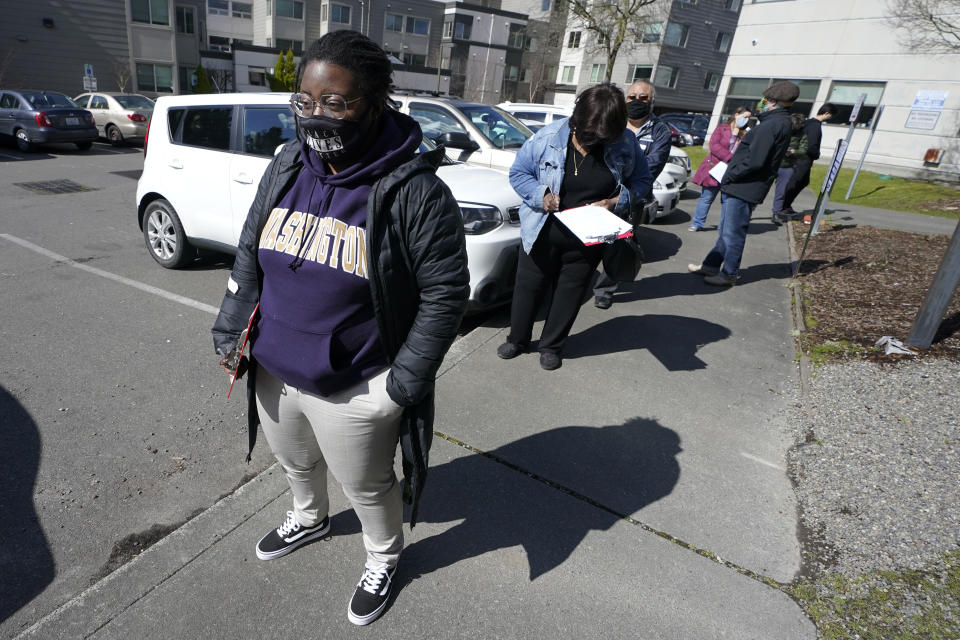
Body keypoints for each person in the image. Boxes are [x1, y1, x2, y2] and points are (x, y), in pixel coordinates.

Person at [211, 31, 469, 626]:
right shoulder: (285, 166)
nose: (316, 115)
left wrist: (399, 389)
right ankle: (308, 516)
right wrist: (231, 331)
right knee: (296, 463)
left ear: (377, 103)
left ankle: (383, 555)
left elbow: (447, 294)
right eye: (304, 101)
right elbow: (250, 254)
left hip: (356, 383)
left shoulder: (414, 192)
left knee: (369, 486)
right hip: (274, 365)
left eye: (336, 102)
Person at [498, 83, 653, 370]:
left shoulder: (625, 144)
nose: (594, 142)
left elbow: (644, 183)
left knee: (571, 291)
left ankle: (552, 346)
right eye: (589, 135)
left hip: (589, 237)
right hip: (542, 232)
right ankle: (517, 339)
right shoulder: (546, 138)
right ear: (577, 120)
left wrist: (616, 202)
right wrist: (541, 195)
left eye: (603, 137)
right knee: (527, 288)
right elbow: (519, 173)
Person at [687, 81, 799, 286]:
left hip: (743, 186)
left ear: (773, 102)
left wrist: (730, 175)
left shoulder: (771, 125)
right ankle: (711, 265)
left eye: (765, 100)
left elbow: (755, 160)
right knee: (726, 230)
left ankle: (729, 273)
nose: (762, 103)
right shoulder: (777, 123)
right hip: (743, 185)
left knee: (732, 232)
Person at [592, 80, 665, 309]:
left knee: (619, 245)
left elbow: (651, 167)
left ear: (651, 101)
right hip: (602, 194)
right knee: (593, 241)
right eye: (632, 97)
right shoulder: (613, 123)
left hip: (632, 198)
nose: (636, 101)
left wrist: (621, 190)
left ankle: (605, 289)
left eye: (643, 98)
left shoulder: (659, 131)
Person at [688, 106, 752, 232]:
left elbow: (747, 151)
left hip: (731, 172)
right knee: (706, 198)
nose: (747, 120)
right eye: (745, 117)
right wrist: (730, 158)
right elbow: (714, 145)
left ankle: (724, 227)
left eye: (749, 118)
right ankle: (697, 223)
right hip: (715, 169)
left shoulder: (746, 133)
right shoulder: (722, 128)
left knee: (727, 202)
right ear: (736, 114)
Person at [777, 103, 838, 224]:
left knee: (802, 181)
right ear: (826, 114)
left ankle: (785, 205)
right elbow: (811, 146)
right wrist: (816, 155)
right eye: (830, 116)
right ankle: (782, 207)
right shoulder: (815, 126)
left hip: (797, 157)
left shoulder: (807, 122)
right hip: (803, 159)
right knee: (796, 182)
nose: (830, 118)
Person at [770, 112, 809, 220]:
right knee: (761, 187)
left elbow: (803, 150)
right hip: (772, 164)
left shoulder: (802, 134)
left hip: (787, 166)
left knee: (781, 191)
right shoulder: (781, 129)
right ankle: (750, 208)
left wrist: (794, 152)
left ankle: (776, 213)